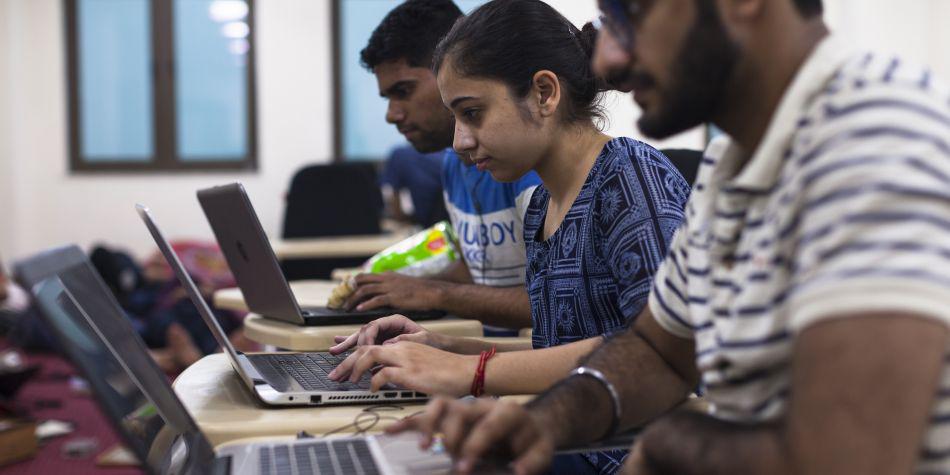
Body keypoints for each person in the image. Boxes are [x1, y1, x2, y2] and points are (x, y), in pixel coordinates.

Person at [390, 0, 950, 474]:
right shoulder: (732, 163)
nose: (608, 57)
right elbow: (659, 352)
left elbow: (852, 459)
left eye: (628, 14)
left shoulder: (869, 139)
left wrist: (666, 447)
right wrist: (540, 422)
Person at [331, 1, 689, 472]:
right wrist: (444, 348)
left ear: (544, 93)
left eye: (473, 113)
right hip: (571, 440)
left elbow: (645, 352)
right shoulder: (542, 205)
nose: (459, 141)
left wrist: (470, 372)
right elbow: (559, 350)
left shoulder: (631, 179)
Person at [346, 0, 541, 330]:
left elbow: (557, 304)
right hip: (491, 352)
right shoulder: (454, 162)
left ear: (454, 72)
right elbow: (480, 274)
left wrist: (436, 292)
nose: (391, 114)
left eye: (403, 91)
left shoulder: (529, 166)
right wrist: (391, 283)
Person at [379, 144, 449, 227]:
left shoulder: (401, 154)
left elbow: (391, 192)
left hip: (430, 219)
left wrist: (400, 217)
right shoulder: (449, 152)